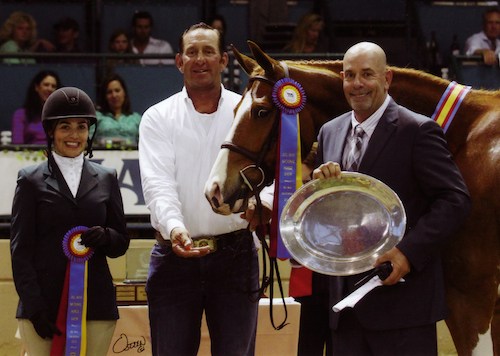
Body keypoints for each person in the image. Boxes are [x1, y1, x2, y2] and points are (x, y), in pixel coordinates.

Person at [313, 42, 471, 355]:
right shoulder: (329, 132)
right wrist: (323, 193)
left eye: (367, 74)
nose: (357, 84)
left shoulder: (419, 130)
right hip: (346, 311)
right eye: (349, 75)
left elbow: (455, 200)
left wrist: (407, 253)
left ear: (387, 78)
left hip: (403, 309)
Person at [138, 22, 273, 355]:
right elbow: (157, 184)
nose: (200, 59)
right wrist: (174, 228)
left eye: (209, 51)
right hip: (174, 257)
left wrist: (265, 202)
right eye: (192, 52)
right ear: (179, 61)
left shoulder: (248, 112)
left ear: (224, 61)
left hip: (236, 255)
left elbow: (276, 170)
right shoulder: (158, 117)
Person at [11, 86, 130, 356]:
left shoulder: (107, 177)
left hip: (96, 305)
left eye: (81, 126)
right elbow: (20, 251)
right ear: (51, 131)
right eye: (65, 127)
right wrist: (35, 307)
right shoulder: (29, 180)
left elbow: (121, 242)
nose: (74, 135)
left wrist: (106, 236)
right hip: (44, 307)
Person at [11, 70, 61, 145]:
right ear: (37, 87)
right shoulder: (21, 114)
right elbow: (17, 144)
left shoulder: (62, 115)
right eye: (46, 85)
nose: (49, 89)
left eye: (53, 86)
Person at [95, 73, 141, 147]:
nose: (114, 95)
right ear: (105, 96)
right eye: (109, 92)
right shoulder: (96, 117)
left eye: (117, 90)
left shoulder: (136, 118)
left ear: (124, 93)